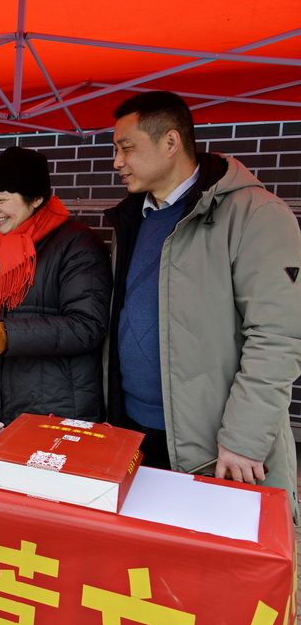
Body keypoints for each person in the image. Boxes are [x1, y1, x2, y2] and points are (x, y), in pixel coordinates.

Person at [106, 90, 301, 515]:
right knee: (145, 566)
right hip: (135, 429)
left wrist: (244, 439)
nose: (117, 162)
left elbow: (278, 337)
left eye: (126, 148)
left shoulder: (255, 214)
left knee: (213, 570)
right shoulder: (132, 218)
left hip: (216, 445)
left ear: (170, 143)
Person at [0, 146, 112, 425]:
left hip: (57, 405)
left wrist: (6, 334)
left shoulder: (77, 245)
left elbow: (87, 326)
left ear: (36, 199)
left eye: (2, 199)